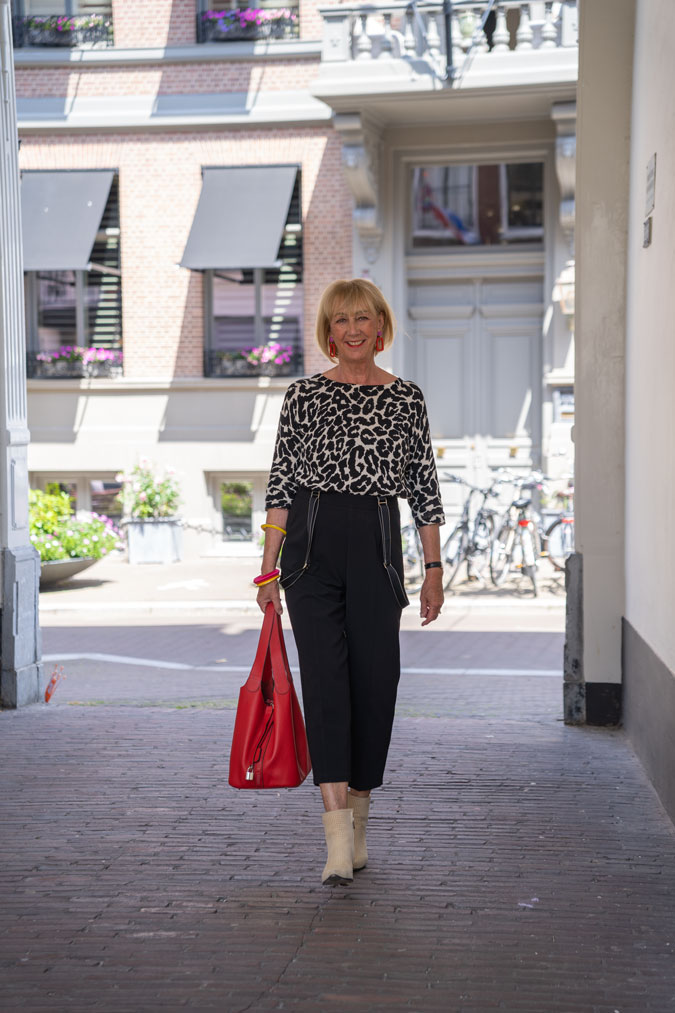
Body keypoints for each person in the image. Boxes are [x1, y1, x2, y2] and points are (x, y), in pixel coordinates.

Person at [256, 278, 445, 886]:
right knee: (326, 687)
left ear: (381, 325)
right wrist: (268, 568)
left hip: (376, 547)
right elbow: (281, 485)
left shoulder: (406, 399)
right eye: (340, 320)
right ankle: (337, 837)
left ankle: (360, 819)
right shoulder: (302, 396)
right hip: (309, 551)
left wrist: (434, 571)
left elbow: (424, 492)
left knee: (375, 686)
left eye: (363, 317)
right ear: (328, 333)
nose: (352, 329)